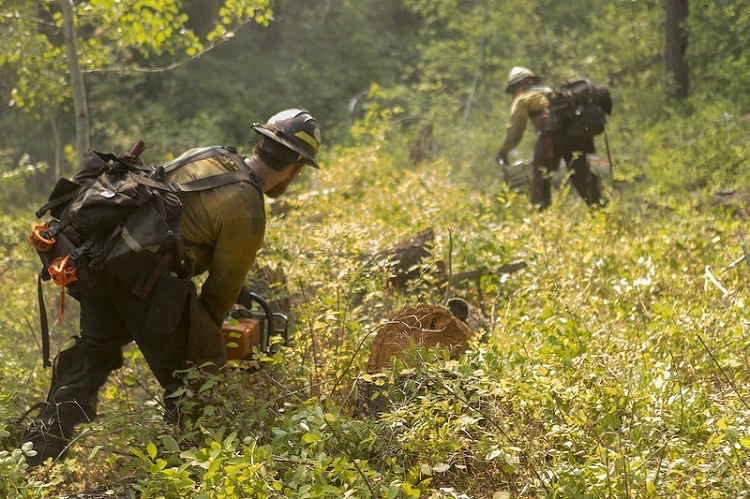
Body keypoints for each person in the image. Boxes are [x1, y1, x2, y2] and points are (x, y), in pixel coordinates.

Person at [21, 108, 322, 467]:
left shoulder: (213, 155)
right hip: (147, 283)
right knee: (196, 378)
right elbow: (219, 292)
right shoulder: (248, 208)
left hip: (108, 264)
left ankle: (35, 455)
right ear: (296, 167)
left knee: (93, 354)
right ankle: (181, 472)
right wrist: (200, 342)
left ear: (262, 143)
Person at [496, 66, 603, 210]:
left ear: (517, 86)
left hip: (552, 134)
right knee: (581, 174)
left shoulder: (522, 97)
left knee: (541, 176)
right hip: (575, 133)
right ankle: (599, 208)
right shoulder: (549, 91)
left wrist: (504, 150)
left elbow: (515, 130)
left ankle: (541, 216)